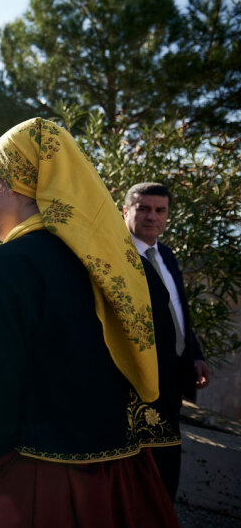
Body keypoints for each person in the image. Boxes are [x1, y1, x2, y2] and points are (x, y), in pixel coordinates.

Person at [0, 118, 179, 527]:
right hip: (126, 482)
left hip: (35, 486)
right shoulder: (135, 271)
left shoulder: (5, 267)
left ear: (13, 184)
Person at [123, 182, 211, 501]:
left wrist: (194, 355)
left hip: (172, 378)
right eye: (143, 209)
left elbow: (178, 312)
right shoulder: (116, 257)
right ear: (125, 211)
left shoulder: (167, 256)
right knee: (133, 467)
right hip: (132, 380)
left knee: (166, 463)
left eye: (160, 210)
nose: (152, 217)